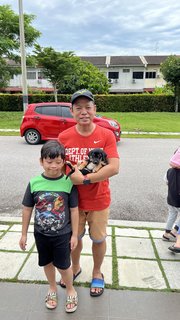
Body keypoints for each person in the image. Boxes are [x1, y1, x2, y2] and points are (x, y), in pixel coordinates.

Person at [58, 89, 119, 297]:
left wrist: (84, 178)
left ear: (95, 109)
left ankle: (97, 271)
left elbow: (114, 167)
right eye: (78, 108)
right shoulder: (64, 136)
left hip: (99, 200)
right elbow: (59, 165)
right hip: (73, 202)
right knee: (74, 237)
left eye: (88, 107)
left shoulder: (106, 135)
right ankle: (75, 268)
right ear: (72, 111)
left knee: (99, 239)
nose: (83, 111)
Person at [19, 140, 79, 313]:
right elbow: (27, 209)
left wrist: (74, 235)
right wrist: (24, 234)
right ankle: (52, 288)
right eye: (49, 162)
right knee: (46, 263)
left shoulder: (68, 183)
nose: (53, 166)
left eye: (58, 162)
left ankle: (70, 290)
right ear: (41, 161)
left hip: (62, 235)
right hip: (41, 234)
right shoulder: (34, 183)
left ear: (64, 162)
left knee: (64, 265)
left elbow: (74, 211)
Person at [162, 147, 180, 241]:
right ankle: (175, 230)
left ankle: (166, 233)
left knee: (172, 215)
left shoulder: (169, 171)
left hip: (171, 198)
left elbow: (166, 181)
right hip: (179, 201)